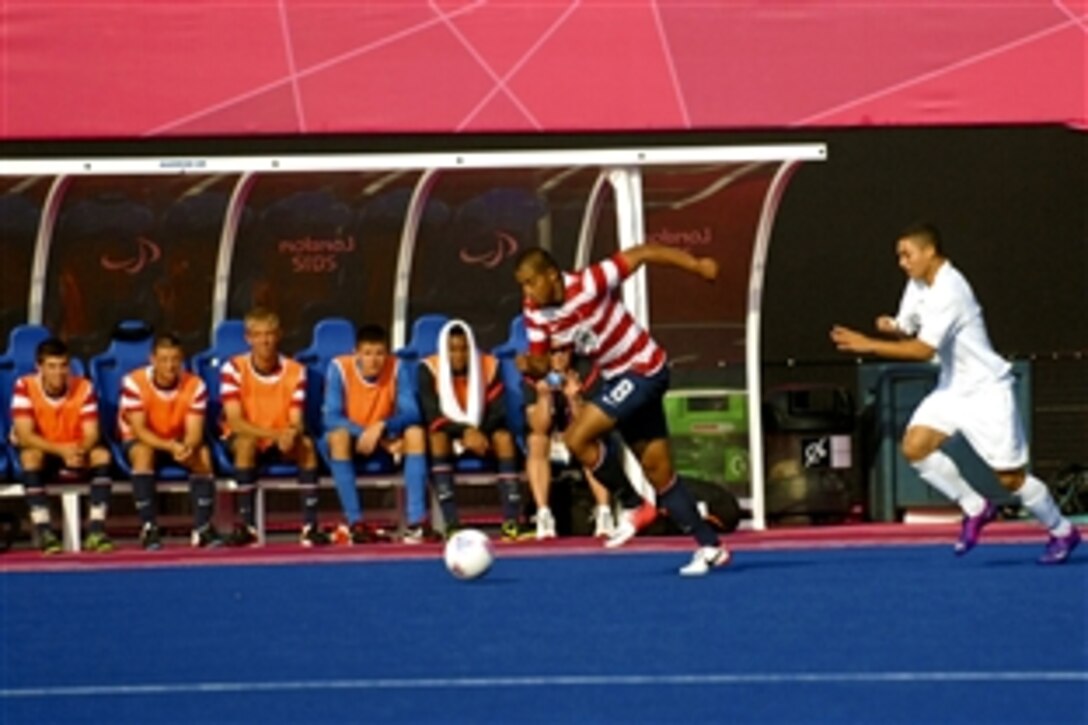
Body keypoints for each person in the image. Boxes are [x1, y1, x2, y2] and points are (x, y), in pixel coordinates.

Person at [831, 222, 1080, 564]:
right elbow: (909, 327)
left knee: (1010, 478)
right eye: (899, 255)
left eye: (907, 254)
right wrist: (892, 326)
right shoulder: (918, 282)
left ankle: (1062, 531)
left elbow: (922, 350)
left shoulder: (951, 290)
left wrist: (867, 344)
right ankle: (976, 507)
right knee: (915, 448)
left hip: (988, 391)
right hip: (952, 388)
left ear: (929, 252)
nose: (902, 262)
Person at [513, 245, 731, 576]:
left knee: (577, 438)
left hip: (644, 368)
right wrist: (531, 365)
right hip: (619, 379)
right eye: (523, 286)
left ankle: (632, 505)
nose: (527, 292)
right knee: (659, 472)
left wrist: (697, 265)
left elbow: (643, 254)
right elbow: (543, 362)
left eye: (531, 283)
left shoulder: (590, 283)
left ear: (552, 276)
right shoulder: (533, 311)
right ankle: (710, 546)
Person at [220, 308, 327, 546]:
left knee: (307, 446)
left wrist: (291, 433)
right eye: (258, 335)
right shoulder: (233, 368)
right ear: (248, 338)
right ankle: (247, 526)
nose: (265, 341)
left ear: (279, 335)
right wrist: (276, 434)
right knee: (245, 445)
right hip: (247, 436)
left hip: (281, 438)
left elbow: (296, 418)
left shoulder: (295, 370)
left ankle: (310, 526)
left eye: (269, 334)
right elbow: (235, 422)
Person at [419, 319, 531, 541]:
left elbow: (498, 411)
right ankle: (451, 523)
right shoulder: (428, 369)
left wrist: (477, 432)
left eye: (464, 349)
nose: (458, 356)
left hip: (483, 431)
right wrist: (464, 432)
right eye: (452, 350)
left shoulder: (490, 365)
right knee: (436, 438)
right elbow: (432, 415)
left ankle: (511, 522)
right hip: (451, 432)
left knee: (504, 438)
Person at [323, 324, 434, 544]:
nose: (374, 360)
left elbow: (412, 412)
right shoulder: (339, 368)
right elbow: (331, 417)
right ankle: (356, 523)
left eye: (379, 353)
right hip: (352, 442)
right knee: (338, 437)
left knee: (415, 434)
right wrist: (369, 433)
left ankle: (417, 522)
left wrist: (382, 426)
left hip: (385, 438)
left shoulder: (396, 367)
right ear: (356, 353)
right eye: (367, 353)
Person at [524, 344, 645, 540]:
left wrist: (574, 399)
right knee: (536, 441)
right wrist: (543, 397)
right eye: (553, 352)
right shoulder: (533, 374)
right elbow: (538, 426)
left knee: (587, 440)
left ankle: (604, 513)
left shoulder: (588, 372)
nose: (559, 357)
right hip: (550, 438)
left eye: (564, 351)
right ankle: (544, 515)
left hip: (577, 434)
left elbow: (590, 422)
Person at [10, 338, 114, 554]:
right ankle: (46, 532)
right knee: (30, 457)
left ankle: (96, 530)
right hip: (45, 450)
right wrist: (60, 451)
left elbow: (92, 433)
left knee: (101, 456)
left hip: (76, 449)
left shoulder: (84, 387)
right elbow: (25, 435)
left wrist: (79, 451)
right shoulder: (25, 386)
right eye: (52, 366)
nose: (59, 372)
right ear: (39, 367)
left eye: (63, 365)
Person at [118, 333, 221, 550]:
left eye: (175, 359)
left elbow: (194, 431)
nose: (170, 366)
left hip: (178, 441)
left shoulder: (195, 384)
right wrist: (170, 446)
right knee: (143, 453)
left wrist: (187, 447)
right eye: (164, 360)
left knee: (202, 454)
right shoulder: (133, 382)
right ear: (152, 360)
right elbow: (140, 430)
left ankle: (202, 528)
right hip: (142, 440)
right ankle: (149, 527)